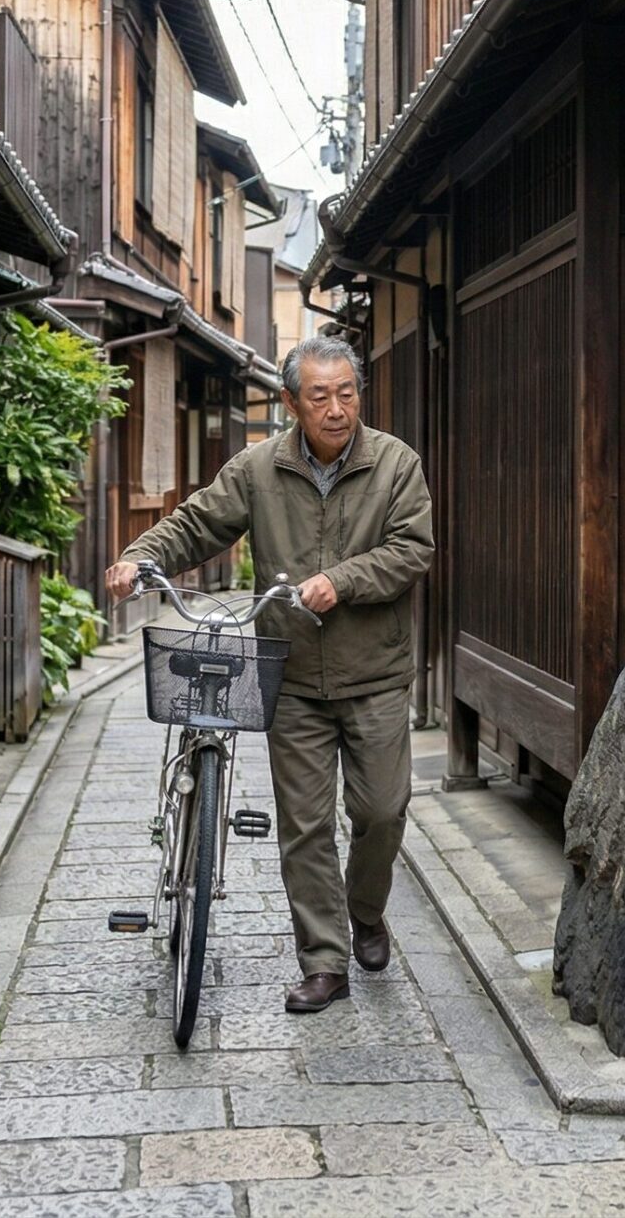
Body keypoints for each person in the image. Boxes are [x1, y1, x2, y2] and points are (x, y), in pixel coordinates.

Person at [107, 336, 434, 1013]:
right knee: (304, 825)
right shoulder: (258, 468)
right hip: (291, 675)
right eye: (320, 396)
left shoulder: (396, 463)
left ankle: (366, 910)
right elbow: (197, 523)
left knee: (381, 812)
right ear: (291, 402)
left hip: (374, 672)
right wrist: (140, 555)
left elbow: (411, 549)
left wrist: (342, 580)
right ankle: (324, 961)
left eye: (347, 393)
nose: (337, 409)